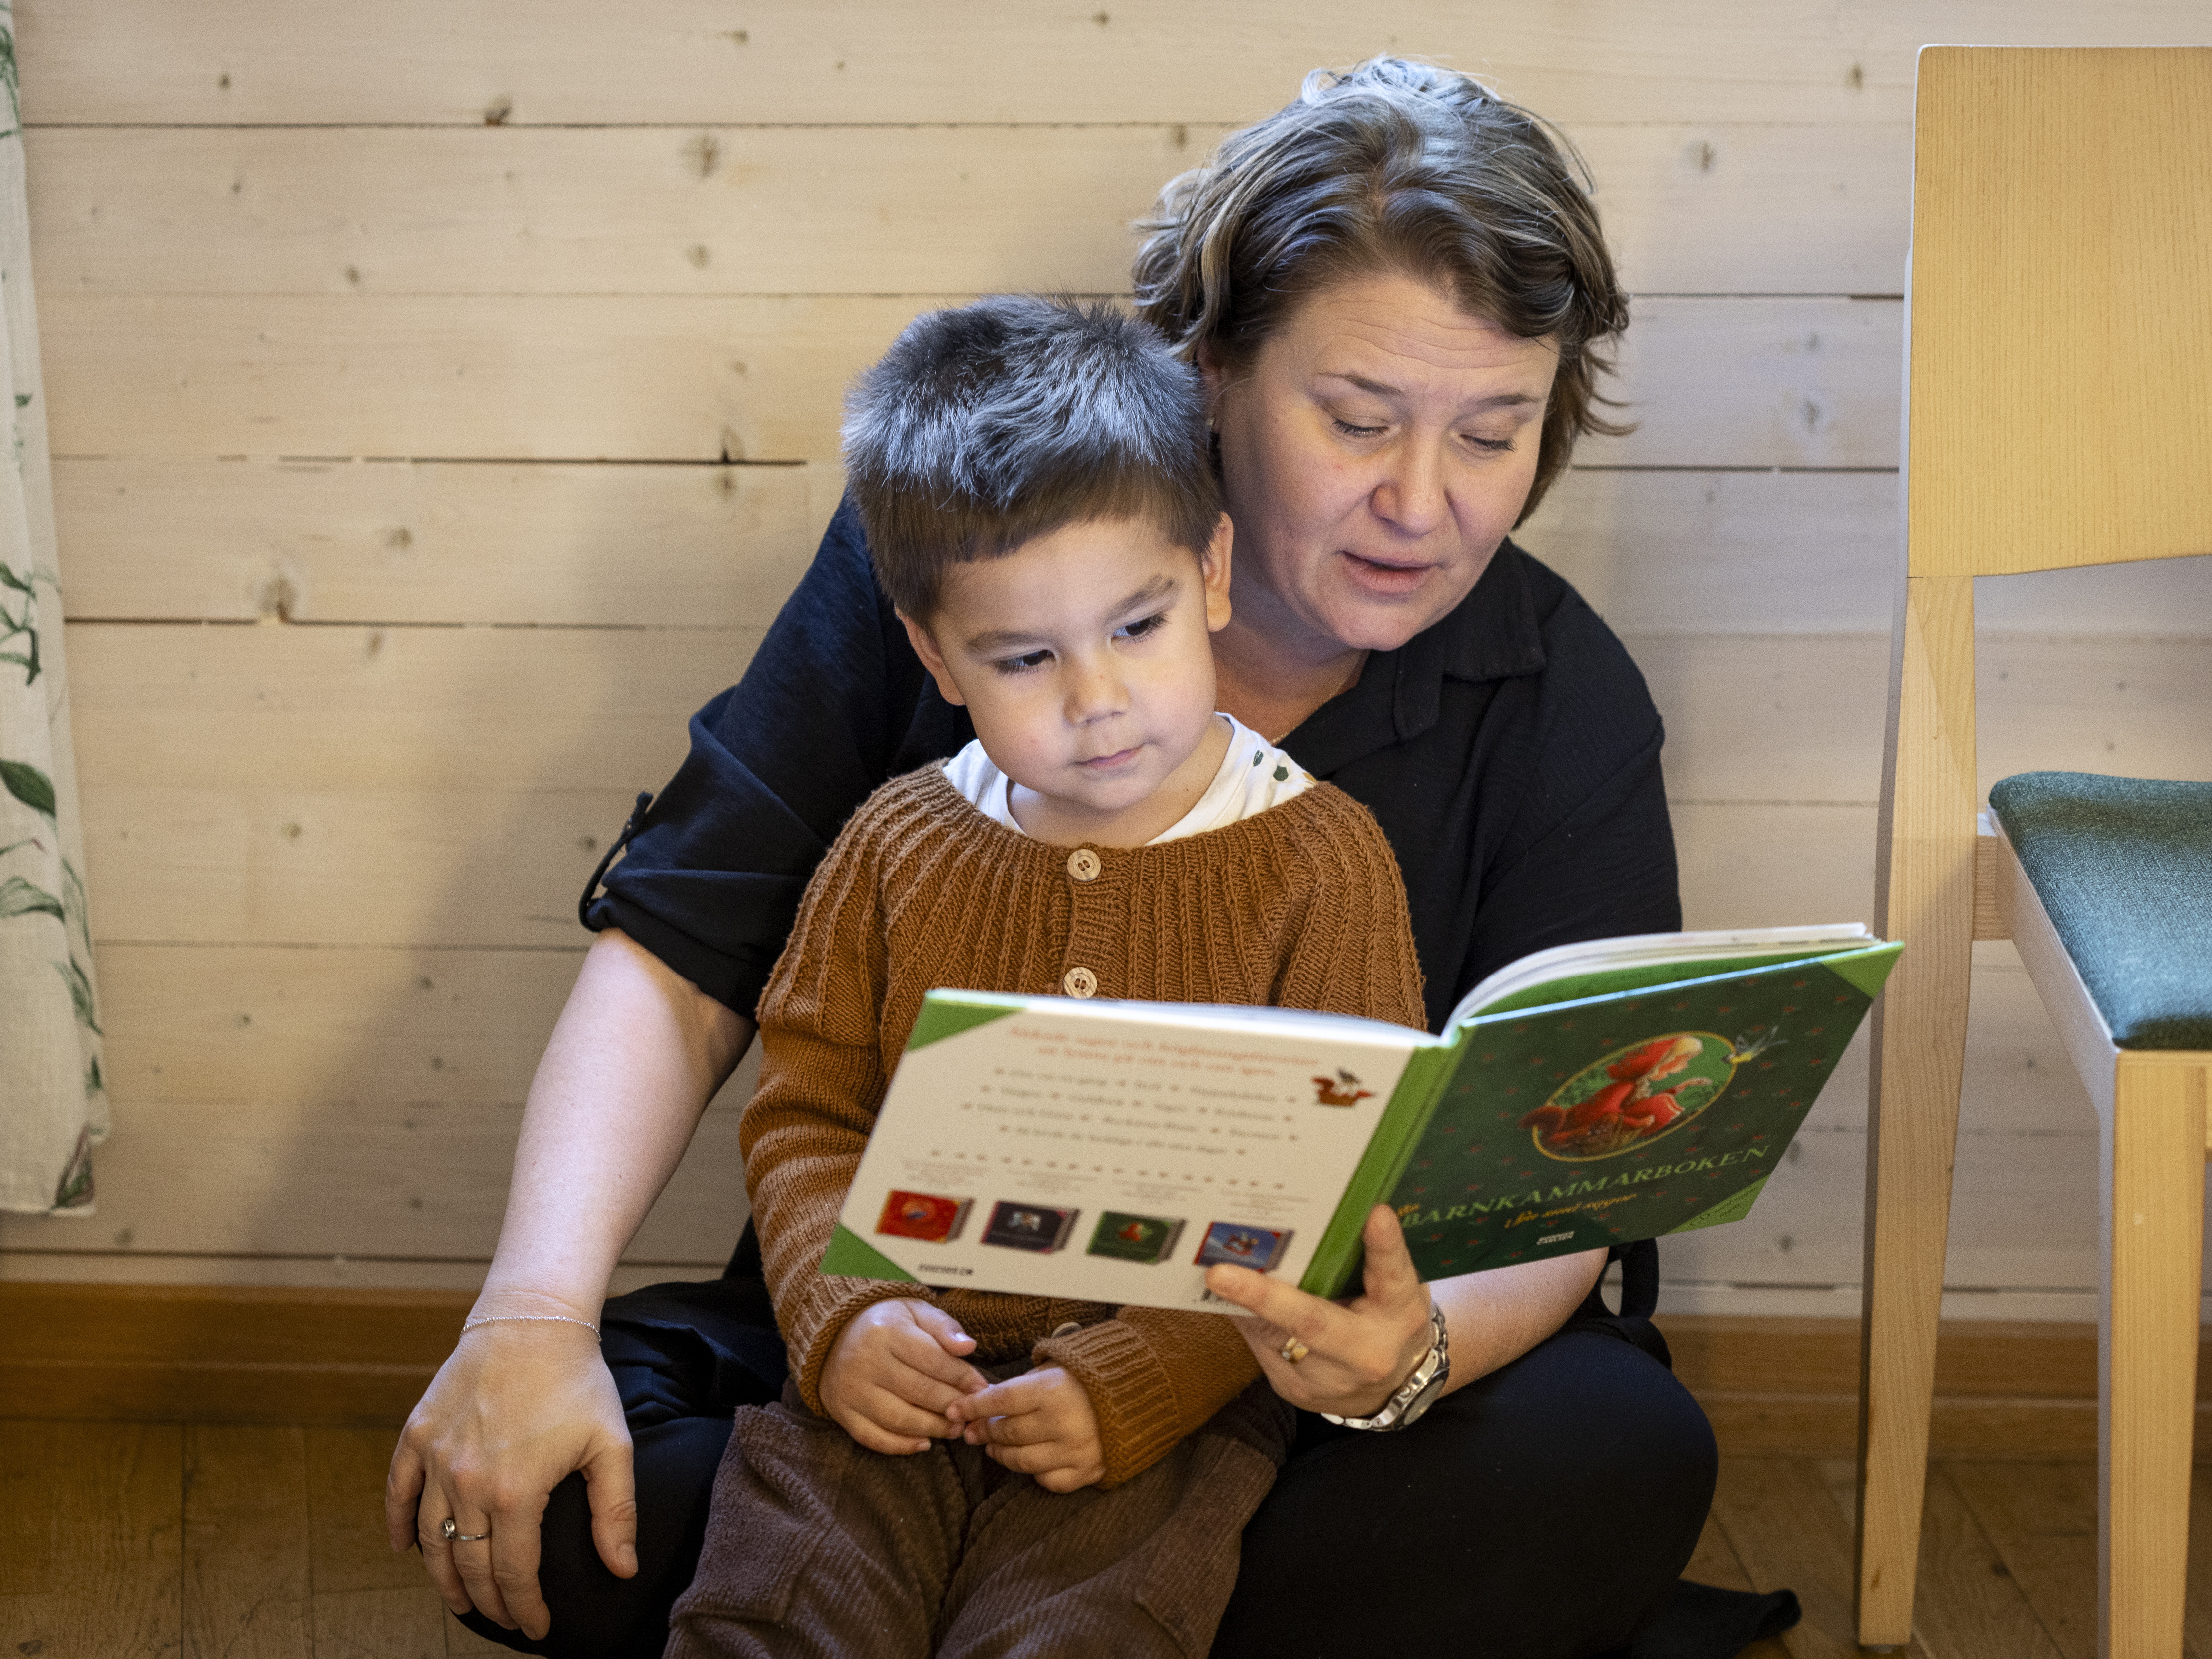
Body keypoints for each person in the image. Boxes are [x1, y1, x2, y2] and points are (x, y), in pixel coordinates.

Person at [392, 57, 1787, 1659]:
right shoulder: (965, 549)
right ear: (1206, 376)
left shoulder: (1561, 697)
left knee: (1608, 1462)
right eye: (1356, 422)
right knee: (569, 1504)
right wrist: (531, 1320)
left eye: (1494, 433)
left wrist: (1397, 1358)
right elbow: (689, 948)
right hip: (907, 1357)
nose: (1425, 506)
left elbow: (1568, 1186)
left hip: (1273, 1388)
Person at [664, 291, 1435, 1656]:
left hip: (1153, 1427)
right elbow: (805, 1112)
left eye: (1136, 628)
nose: (1096, 700)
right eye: (1026, 658)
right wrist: (845, 1321)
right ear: (933, 654)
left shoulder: (1323, 863)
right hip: (886, 1389)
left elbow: (1347, 1195)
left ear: (1210, 575)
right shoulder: (898, 846)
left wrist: (1142, 1378)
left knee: (1083, 1633)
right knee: (764, 1612)